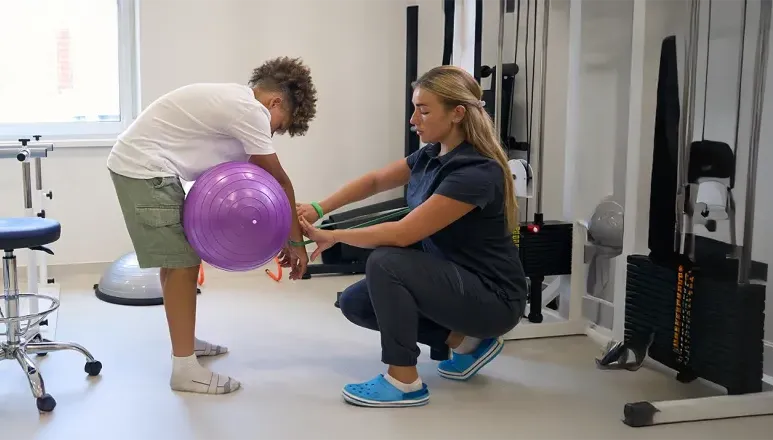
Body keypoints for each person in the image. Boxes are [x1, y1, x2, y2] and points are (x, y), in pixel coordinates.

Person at [297, 65, 527, 407]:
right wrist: (320, 207)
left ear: (457, 114)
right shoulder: (432, 154)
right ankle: (466, 342)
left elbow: (403, 234)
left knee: (387, 261)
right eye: (415, 108)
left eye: (423, 109)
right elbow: (376, 181)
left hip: (494, 298)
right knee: (356, 303)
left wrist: (334, 235)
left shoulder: (476, 172)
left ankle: (404, 380)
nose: (413, 119)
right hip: (455, 282)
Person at [107, 57, 318, 395]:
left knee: (179, 262)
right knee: (182, 265)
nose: (273, 131)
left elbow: (255, 187)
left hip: (147, 167)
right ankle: (185, 368)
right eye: (280, 125)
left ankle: (184, 341)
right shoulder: (251, 111)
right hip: (144, 169)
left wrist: (281, 231)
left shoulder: (235, 104)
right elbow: (278, 180)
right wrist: (296, 244)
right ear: (274, 102)